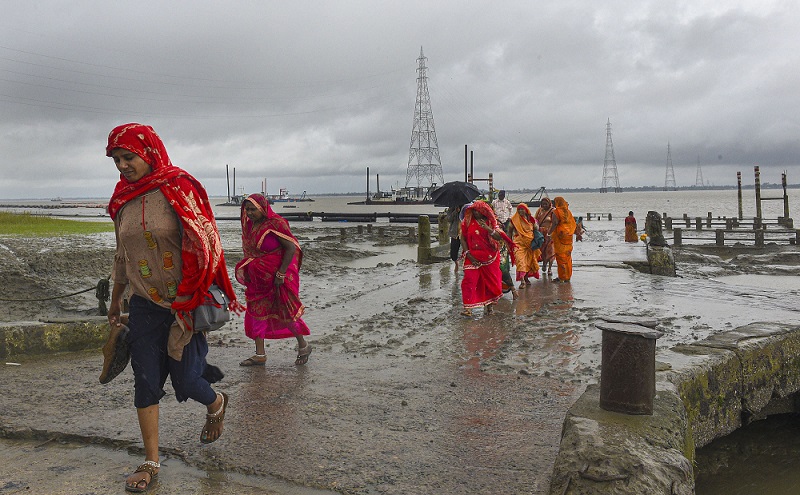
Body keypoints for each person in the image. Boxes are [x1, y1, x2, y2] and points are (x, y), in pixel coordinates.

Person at [105, 123, 239, 492]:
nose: (122, 166)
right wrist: (116, 299)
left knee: (187, 381)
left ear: (148, 152)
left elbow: (206, 241)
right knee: (145, 379)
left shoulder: (180, 187)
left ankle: (215, 402)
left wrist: (191, 293)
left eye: (128, 157)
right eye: (116, 160)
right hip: (145, 305)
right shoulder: (123, 199)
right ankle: (151, 459)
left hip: (185, 302)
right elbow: (123, 254)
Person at [236, 193, 312, 367]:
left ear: (263, 207)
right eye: (247, 209)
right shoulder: (250, 226)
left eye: (253, 209)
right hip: (257, 279)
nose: (249, 213)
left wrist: (281, 274)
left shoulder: (276, 224)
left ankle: (303, 345)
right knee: (257, 312)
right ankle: (260, 354)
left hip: (276, 278)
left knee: (284, 311)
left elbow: (291, 248)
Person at [460, 201, 515, 316]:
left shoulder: (491, 222)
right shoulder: (467, 222)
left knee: (490, 283)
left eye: (478, 211)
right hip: (472, 256)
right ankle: (468, 309)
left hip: (490, 258)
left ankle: (489, 307)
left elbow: (499, 237)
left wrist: (487, 228)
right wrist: (468, 254)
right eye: (473, 211)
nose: (475, 213)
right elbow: (463, 239)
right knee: (469, 280)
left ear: (484, 212)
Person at [509, 203, 541, 288]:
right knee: (520, 261)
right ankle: (522, 281)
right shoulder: (514, 220)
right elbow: (509, 231)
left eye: (522, 209)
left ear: (526, 210)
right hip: (518, 243)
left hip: (530, 244)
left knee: (528, 262)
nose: (520, 211)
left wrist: (534, 223)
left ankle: (526, 278)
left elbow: (536, 229)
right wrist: (508, 243)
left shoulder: (531, 219)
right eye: (519, 209)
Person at [549, 196, 577, 283]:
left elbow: (555, 223)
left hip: (560, 236)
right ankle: (568, 277)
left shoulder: (556, 212)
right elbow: (573, 223)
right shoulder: (568, 212)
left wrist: (549, 233)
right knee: (568, 257)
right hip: (568, 236)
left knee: (560, 257)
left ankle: (562, 277)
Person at [534, 197, 556, 276]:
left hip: (550, 233)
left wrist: (551, 233)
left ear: (549, 203)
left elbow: (555, 223)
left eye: (546, 204)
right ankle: (544, 264)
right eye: (543, 204)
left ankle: (549, 268)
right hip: (540, 234)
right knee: (541, 251)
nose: (544, 205)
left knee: (550, 251)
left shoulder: (553, 211)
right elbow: (535, 221)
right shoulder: (539, 211)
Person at [447, 205, 462, 272]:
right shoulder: (451, 208)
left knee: (466, 250)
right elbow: (449, 219)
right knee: (453, 252)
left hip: (465, 232)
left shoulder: (467, 207)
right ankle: (456, 263)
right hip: (455, 233)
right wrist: (455, 211)